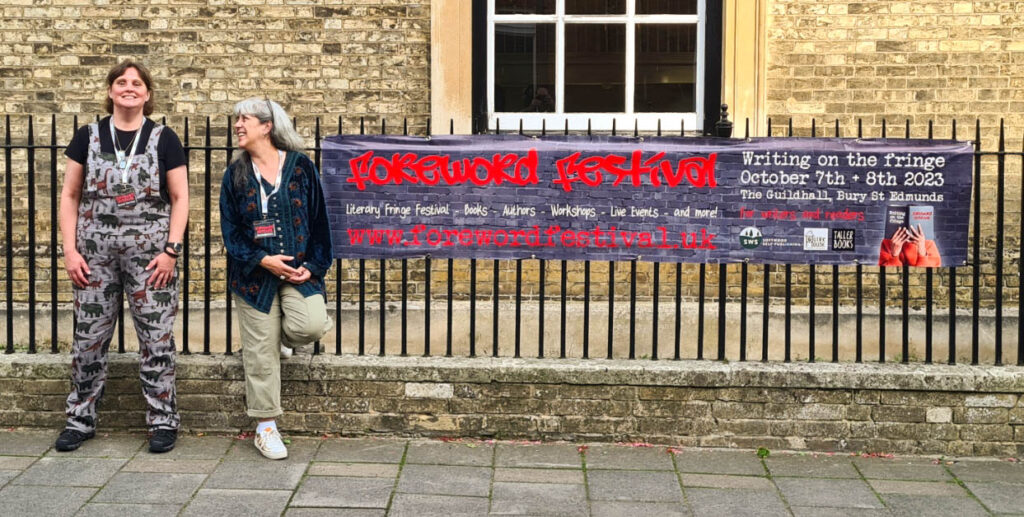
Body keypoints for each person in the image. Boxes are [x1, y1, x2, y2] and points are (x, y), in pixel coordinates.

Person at [57, 60, 188, 452]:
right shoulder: (89, 136)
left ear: (147, 94)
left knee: (156, 340)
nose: (128, 87)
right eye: (121, 82)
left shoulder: (164, 138)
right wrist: (69, 250)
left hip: (151, 259)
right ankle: (79, 420)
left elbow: (180, 197)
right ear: (111, 91)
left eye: (136, 83)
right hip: (94, 256)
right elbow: (69, 195)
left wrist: (171, 251)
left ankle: (163, 421)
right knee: (88, 340)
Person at [219, 98, 333, 459]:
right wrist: (263, 259)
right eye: (236, 119)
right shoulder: (235, 175)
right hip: (254, 276)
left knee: (310, 327)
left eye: (245, 119)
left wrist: (313, 267)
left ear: (267, 126)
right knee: (261, 357)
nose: (238, 125)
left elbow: (319, 222)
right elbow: (231, 233)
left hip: (299, 273)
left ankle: (277, 338)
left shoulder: (301, 168)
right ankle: (266, 427)